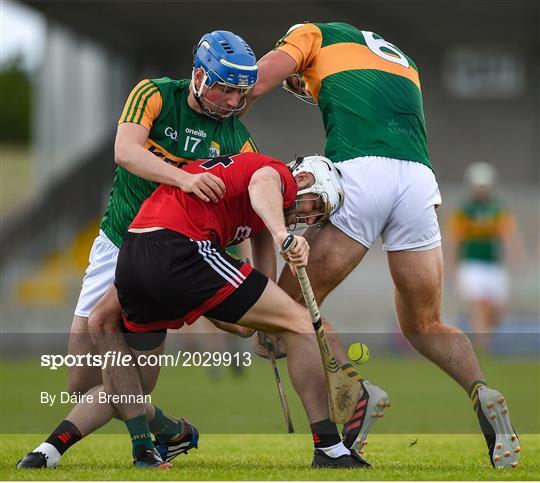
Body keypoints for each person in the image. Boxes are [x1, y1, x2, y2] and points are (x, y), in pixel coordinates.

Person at [248, 22, 520, 468]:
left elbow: (258, 78)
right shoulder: (401, 59)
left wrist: (219, 113)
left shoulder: (312, 33)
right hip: (417, 179)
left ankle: (357, 393)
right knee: (424, 324)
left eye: (301, 81)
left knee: (285, 308)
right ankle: (481, 390)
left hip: (361, 170)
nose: (301, 88)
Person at [20, 152, 370, 470]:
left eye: (316, 218)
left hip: (136, 254)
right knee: (299, 320)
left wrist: (265, 322)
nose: (308, 218)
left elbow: (256, 307)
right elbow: (264, 184)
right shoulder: (277, 174)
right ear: (306, 179)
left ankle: (72, 451)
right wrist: (282, 236)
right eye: (315, 206)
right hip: (181, 247)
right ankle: (329, 446)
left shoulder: (257, 214)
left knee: (129, 383)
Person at [17, 30, 259, 469]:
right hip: (114, 242)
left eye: (240, 93)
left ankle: (93, 449)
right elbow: (124, 151)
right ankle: (170, 429)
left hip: (164, 256)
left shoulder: (238, 142)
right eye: (224, 88)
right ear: (199, 77)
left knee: (130, 381)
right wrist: (185, 177)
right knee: (82, 382)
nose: (231, 101)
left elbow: (248, 209)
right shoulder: (152, 95)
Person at [447, 162, 525, 349]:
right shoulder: (463, 211)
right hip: (472, 265)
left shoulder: (498, 209)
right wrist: (452, 268)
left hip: (494, 266)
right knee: (479, 305)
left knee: (496, 313)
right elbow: (454, 241)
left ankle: (479, 336)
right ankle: (483, 346)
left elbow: (509, 235)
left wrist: (517, 257)